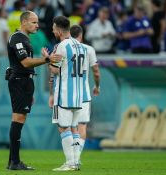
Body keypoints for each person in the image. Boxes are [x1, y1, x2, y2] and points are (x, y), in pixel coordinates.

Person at [5, 11, 61, 170]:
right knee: (18, 120)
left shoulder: (24, 38)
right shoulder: (17, 38)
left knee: (18, 119)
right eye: (34, 22)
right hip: (19, 81)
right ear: (24, 22)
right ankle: (15, 162)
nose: (37, 25)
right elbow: (25, 62)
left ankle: (12, 162)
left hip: (24, 82)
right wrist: (47, 59)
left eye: (37, 22)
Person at [48, 16, 87, 171]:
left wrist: (47, 59)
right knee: (74, 127)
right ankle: (75, 161)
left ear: (58, 29)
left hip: (64, 94)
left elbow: (55, 69)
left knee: (63, 128)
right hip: (78, 95)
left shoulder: (61, 46)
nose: (52, 30)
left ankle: (70, 163)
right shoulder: (81, 46)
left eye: (53, 28)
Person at [70, 24, 100, 168]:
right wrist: (97, 86)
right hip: (84, 95)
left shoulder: (65, 48)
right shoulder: (89, 49)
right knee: (82, 127)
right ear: (81, 35)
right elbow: (96, 72)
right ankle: (76, 158)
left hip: (69, 94)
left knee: (71, 127)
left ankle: (72, 159)